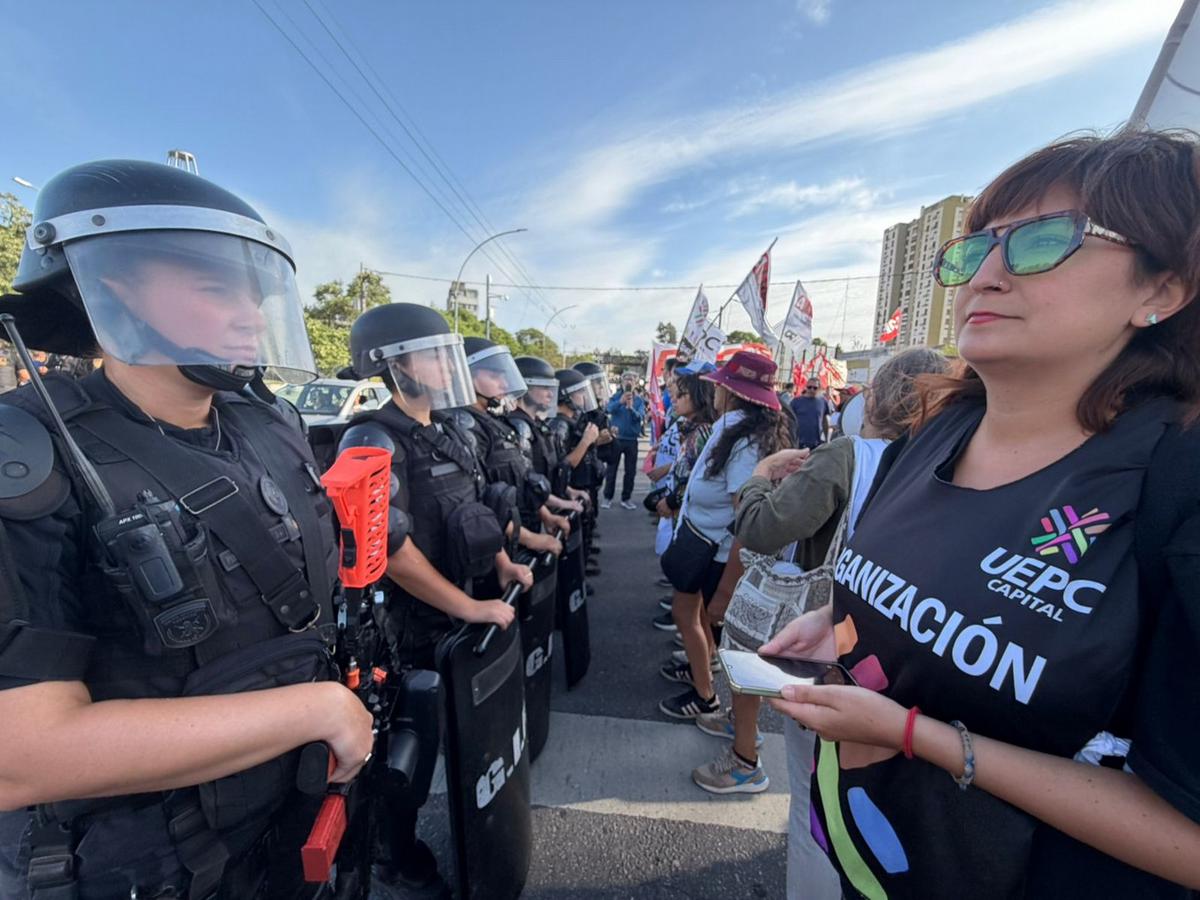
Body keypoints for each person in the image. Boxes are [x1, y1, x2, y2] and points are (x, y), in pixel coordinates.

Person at [768, 131, 1200, 897]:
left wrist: (917, 738)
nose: (987, 276)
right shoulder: (938, 429)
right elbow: (918, 597)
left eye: (1044, 241)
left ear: (1161, 290)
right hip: (856, 848)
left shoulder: (1175, 483)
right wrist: (839, 627)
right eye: (974, 251)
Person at [0, 159, 377, 898]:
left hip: (285, 814)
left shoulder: (270, 423)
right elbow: (21, 754)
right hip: (147, 864)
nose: (252, 315)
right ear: (112, 283)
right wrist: (319, 707)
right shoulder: (32, 454)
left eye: (256, 292)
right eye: (215, 287)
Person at [729, 348, 948, 899]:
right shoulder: (948, 459)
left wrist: (760, 476)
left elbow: (761, 528)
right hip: (906, 656)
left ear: (873, 397)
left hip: (828, 643)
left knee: (815, 802)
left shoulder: (847, 454)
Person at [340, 304, 528, 896]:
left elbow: (475, 511)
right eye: (430, 354)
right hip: (407, 628)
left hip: (458, 611)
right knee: (406, 752)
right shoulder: (371, 436)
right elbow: (390, 549)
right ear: (393, 366)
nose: (445, 367)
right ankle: (392, 855)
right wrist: (467, 607)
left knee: (455, 733)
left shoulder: (450, 428)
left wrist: (501, 565)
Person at [657, 351, 792, 746]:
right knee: (691, 614)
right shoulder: (732, 427)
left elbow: (744, 523)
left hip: (718, 558)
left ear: (731, 391)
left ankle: (709, 700)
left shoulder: (746, 441)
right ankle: (707, 689)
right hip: (704, 548)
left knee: (701, 622)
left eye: (719, 383)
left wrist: (727, 589)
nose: (712, 388)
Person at [458, 337, 562, 562]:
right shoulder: (465, 427)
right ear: (466, 376)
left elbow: (523, 477)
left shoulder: (495, 422)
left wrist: (544, 516)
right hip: (493, 550)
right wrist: (532, 539)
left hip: (515, 535)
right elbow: (480, 501)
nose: (504, 385)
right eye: (494, 376)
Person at [603, 371, 646, 509]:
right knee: (611, 469)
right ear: (621, 382)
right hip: (616, 438)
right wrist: (620, 402)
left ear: (635, 383)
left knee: (630, 471)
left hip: (631, 439)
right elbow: (608, 409)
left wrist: (631, 408)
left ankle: (626, 498)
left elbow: (640, 417)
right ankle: (607, 497)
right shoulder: (615, 397)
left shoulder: (639, 400)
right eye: (626, 379)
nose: (628, 381)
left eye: (632, 379)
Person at [789, 377, 830, 449]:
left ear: (819, 388)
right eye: (809, 387)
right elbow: (789, 420)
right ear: (806, 387)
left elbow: (824, 421)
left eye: (815, 388)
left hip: (816, 443)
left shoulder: (823, 402)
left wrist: (827, 439)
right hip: (798, 443)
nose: (811, 390)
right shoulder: (796, 402)